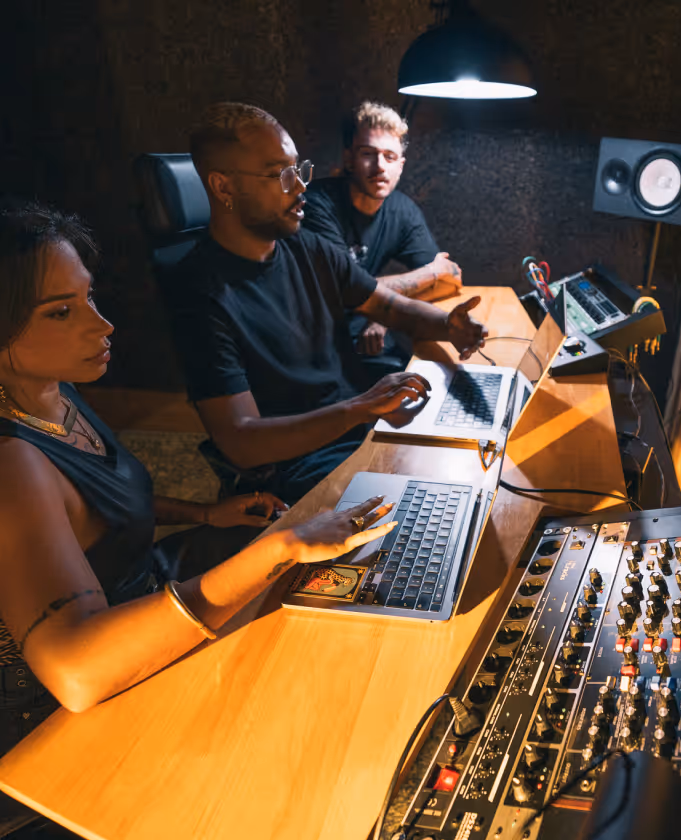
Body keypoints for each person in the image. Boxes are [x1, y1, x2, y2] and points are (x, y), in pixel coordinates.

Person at [0, 200, 397, 834]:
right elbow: (75, 672)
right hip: (69, 714)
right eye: (60, 312)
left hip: (144, 595)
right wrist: (277, 549)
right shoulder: (11, 462)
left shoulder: (49, 393)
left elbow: (89, 507)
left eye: (89, 298)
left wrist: (203, 512)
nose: (102, 326)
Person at [162, 103, 487, 505]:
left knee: (473, 462)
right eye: (280, 174)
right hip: (299, 464)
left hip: (358, 428)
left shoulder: (306, 246)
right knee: (448, 501)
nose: (300, 187)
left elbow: (387, 308)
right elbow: (242, 443)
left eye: (299, 169)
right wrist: (360, 408)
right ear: (224, 187)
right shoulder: (198, 294)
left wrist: (446, 325)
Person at [303, 101, 462, 381]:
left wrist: (381, 316)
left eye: (390, 157)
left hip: (367, 341)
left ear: (401, 166)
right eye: (368, 154)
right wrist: (428, 273)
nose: (379, 166)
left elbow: (450, 277)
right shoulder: (317, 205)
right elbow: (342, 292)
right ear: (349, 158)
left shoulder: (401, 209)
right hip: (312, 346)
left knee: (441, 379)